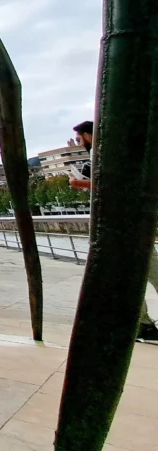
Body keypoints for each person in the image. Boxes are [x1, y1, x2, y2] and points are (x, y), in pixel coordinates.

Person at [70, 120, 158, 341]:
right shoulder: (103, 155)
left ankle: (142, 325)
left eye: (80, 138)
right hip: (125, 221)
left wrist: (83, 185)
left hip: (123, 223)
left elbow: (115, 185)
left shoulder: (104, 155)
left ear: (88, 135)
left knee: (136, 274)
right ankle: (142, 325)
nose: (80, 143)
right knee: (139, 273)